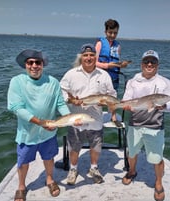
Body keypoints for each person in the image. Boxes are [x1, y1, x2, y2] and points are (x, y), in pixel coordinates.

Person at [7, 49, 75, 201]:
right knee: (23, 161)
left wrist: (69, 117)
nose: (34, 66)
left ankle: (49, 179)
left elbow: (60, 104)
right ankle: (21, 186)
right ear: (25, 65)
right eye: (30, 62)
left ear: (43, 64)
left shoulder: (53, 82)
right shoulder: (16, 81)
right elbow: (15, 107)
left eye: (38, 62)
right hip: (27, 133)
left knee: (49, 158)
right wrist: (40, 122)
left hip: (49, 132)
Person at [121, 50, 170, 201]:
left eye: (153, 62)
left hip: (155, 127)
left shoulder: (165, 82)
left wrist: (164, 106)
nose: (149, 64)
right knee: (132, 153)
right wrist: (125, 106)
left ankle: (158, 182)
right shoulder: (133, 81)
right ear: (141, 64)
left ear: (158, 65)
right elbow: (126, 99)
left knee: (156, 158)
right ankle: (132, 171)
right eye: (146, 61)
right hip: (135, 124)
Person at [60, 43, 117, 185]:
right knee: (74, 146)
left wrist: (107, 103)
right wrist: (71, 101)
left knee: (96, 146)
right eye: (86, 55)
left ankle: (94, 168)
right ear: (81, 57)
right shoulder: (71, 74)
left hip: (96, 118)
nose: (89, 57)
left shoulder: (104, 75)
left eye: (92, 55)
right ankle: (73, 169)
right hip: (77, 117)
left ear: (95, 57)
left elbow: (112, 94)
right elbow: (60, 92)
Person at [95, 19, 131, 126]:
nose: (112, 35)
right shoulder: (99, 44)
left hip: (114, 77)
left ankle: (113, 117)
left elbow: (116, 62)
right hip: (100, 76)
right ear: (105, 32)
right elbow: (94, 62)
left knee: (113, 98)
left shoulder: (118, 46)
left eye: (115, 33)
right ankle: (96, 117)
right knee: (99, 99)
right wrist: (107, 66)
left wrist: (122, 65)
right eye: (110, 32)